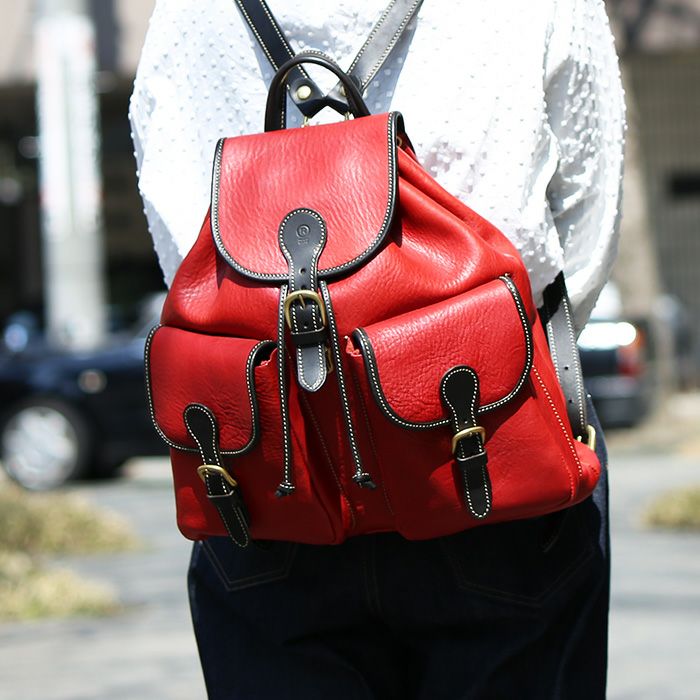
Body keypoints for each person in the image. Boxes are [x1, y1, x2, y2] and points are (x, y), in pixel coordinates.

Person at [130, 1, 625, 697]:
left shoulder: (186, 11)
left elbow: (179, 243)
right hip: (484, 431)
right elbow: (586, 222)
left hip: (266, 463)